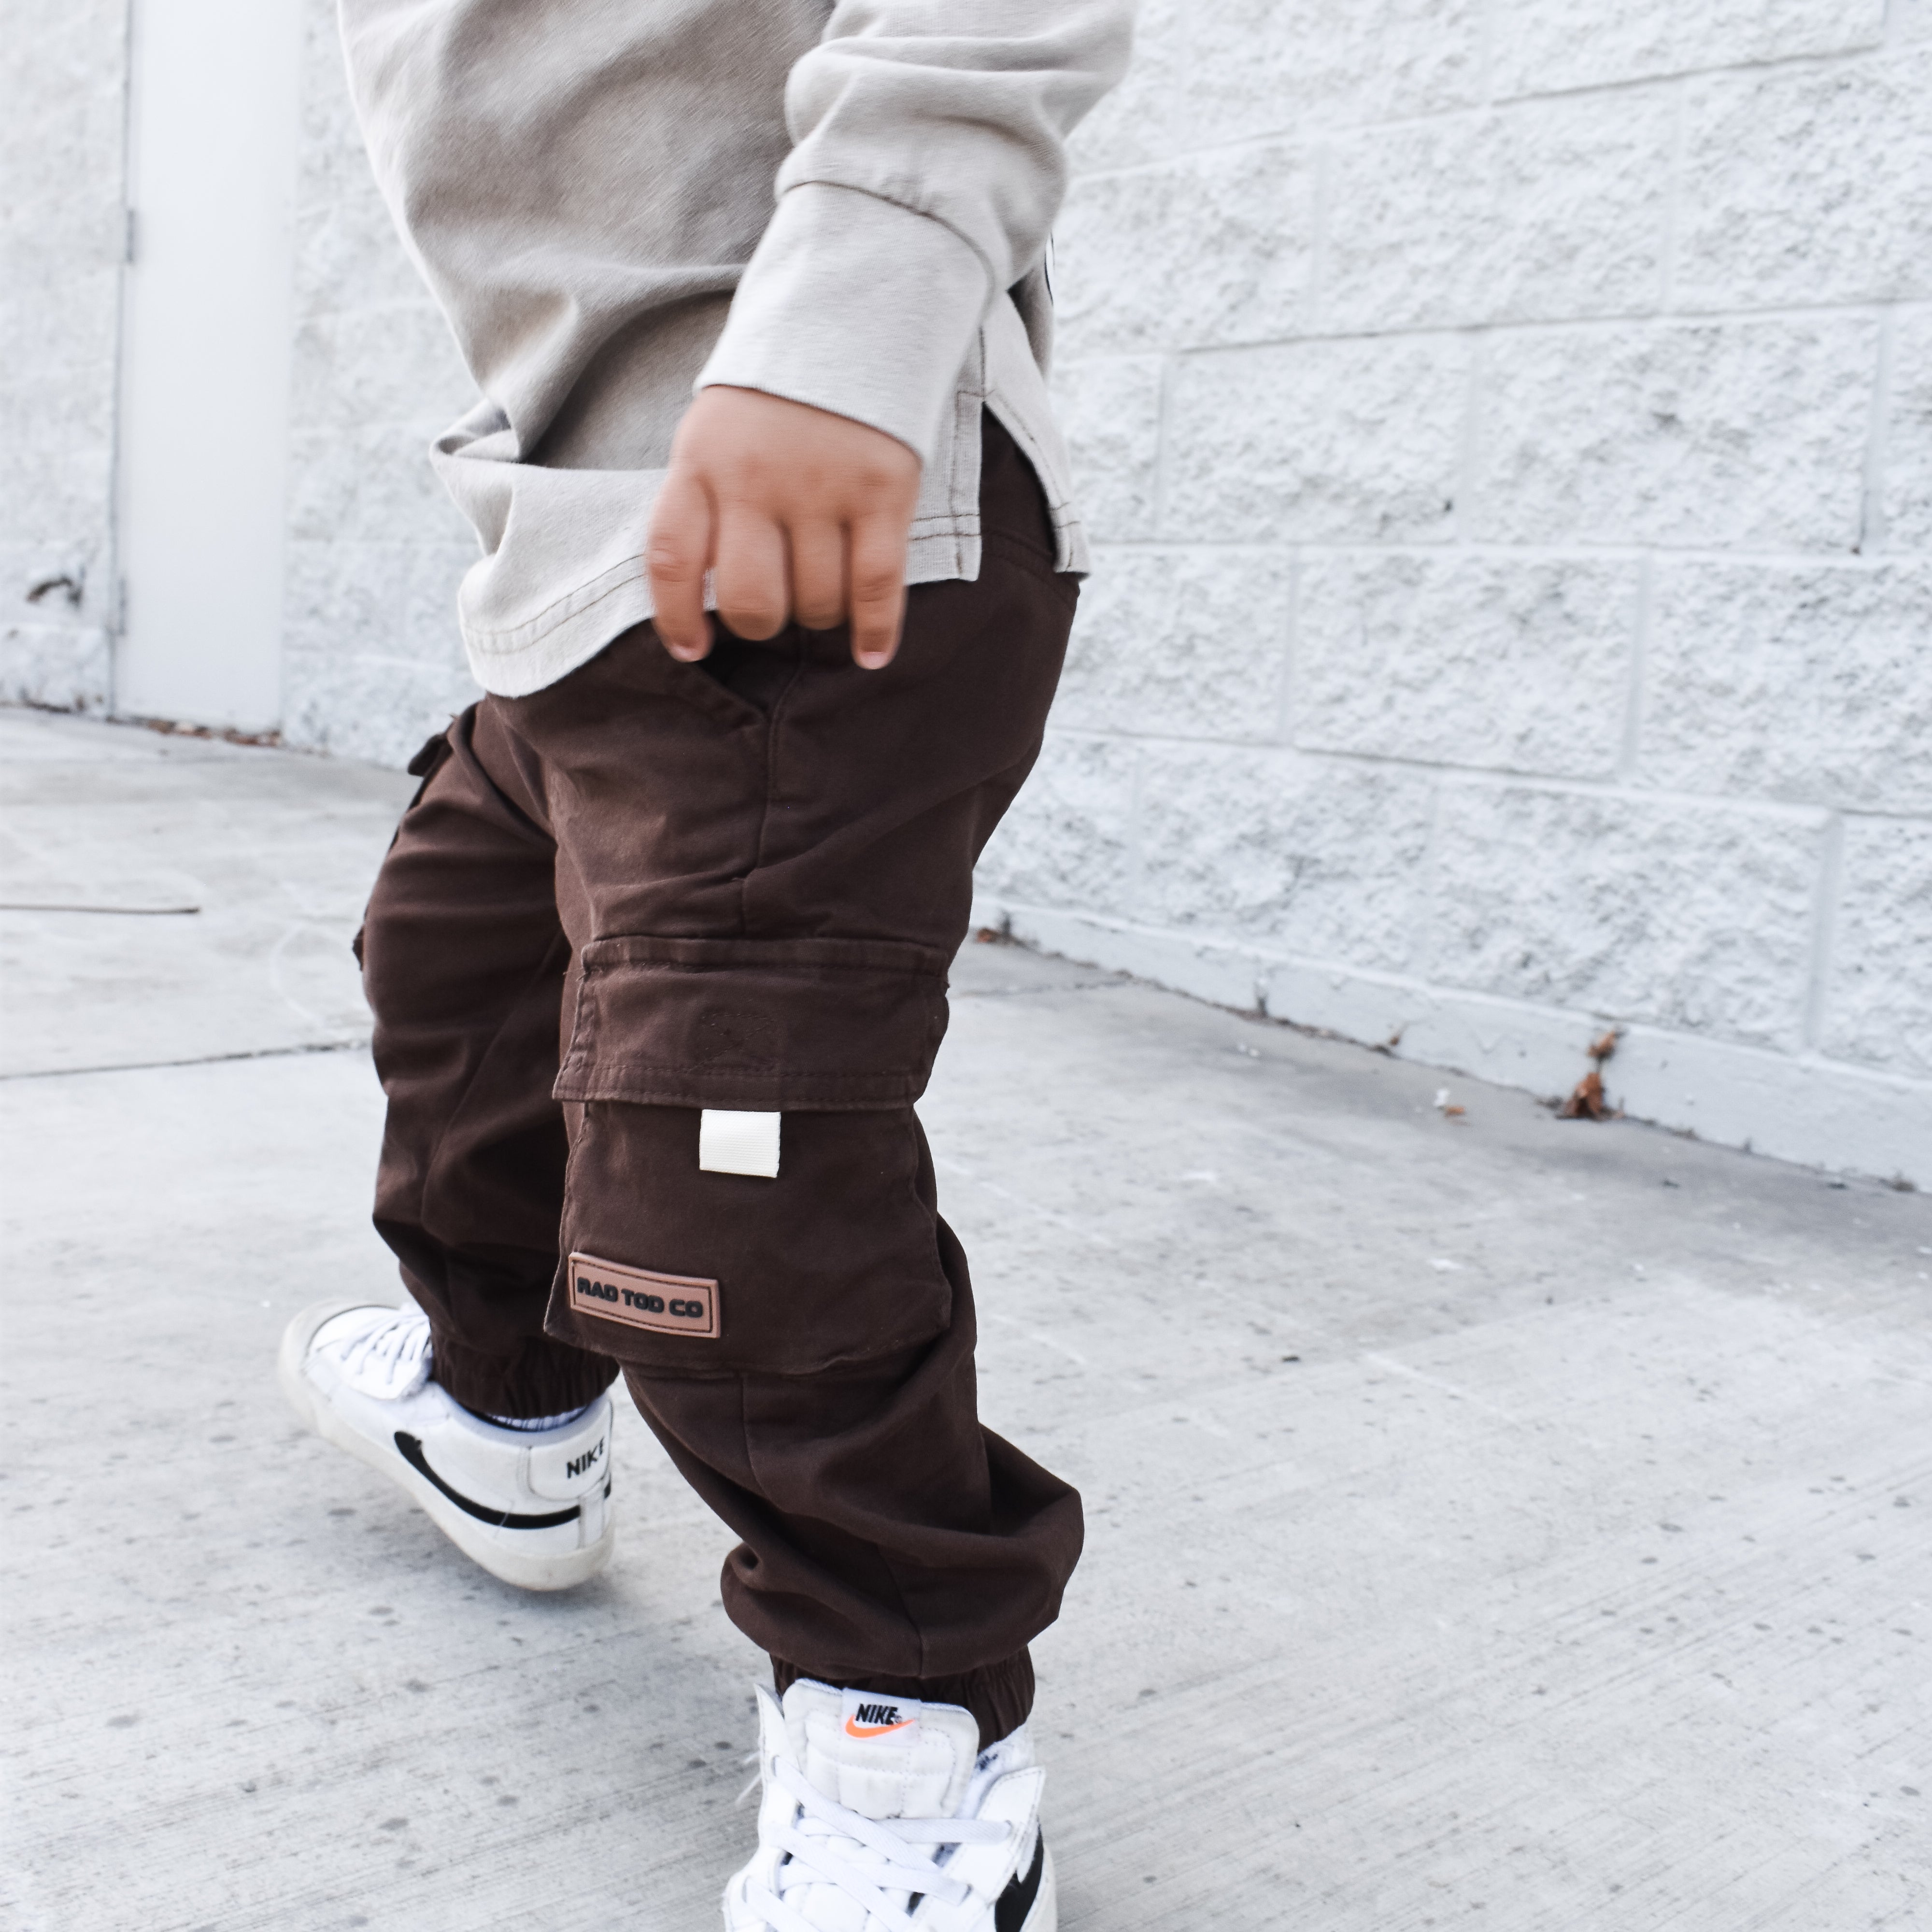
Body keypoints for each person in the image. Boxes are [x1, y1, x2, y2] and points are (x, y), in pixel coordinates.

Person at [277, 4, 1134, 1926]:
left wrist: (856, 320)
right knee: (463, 967)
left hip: (813, 508)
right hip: (585, 541)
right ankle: (502, 1408)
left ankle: (900, 1712)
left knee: (718, 1164)